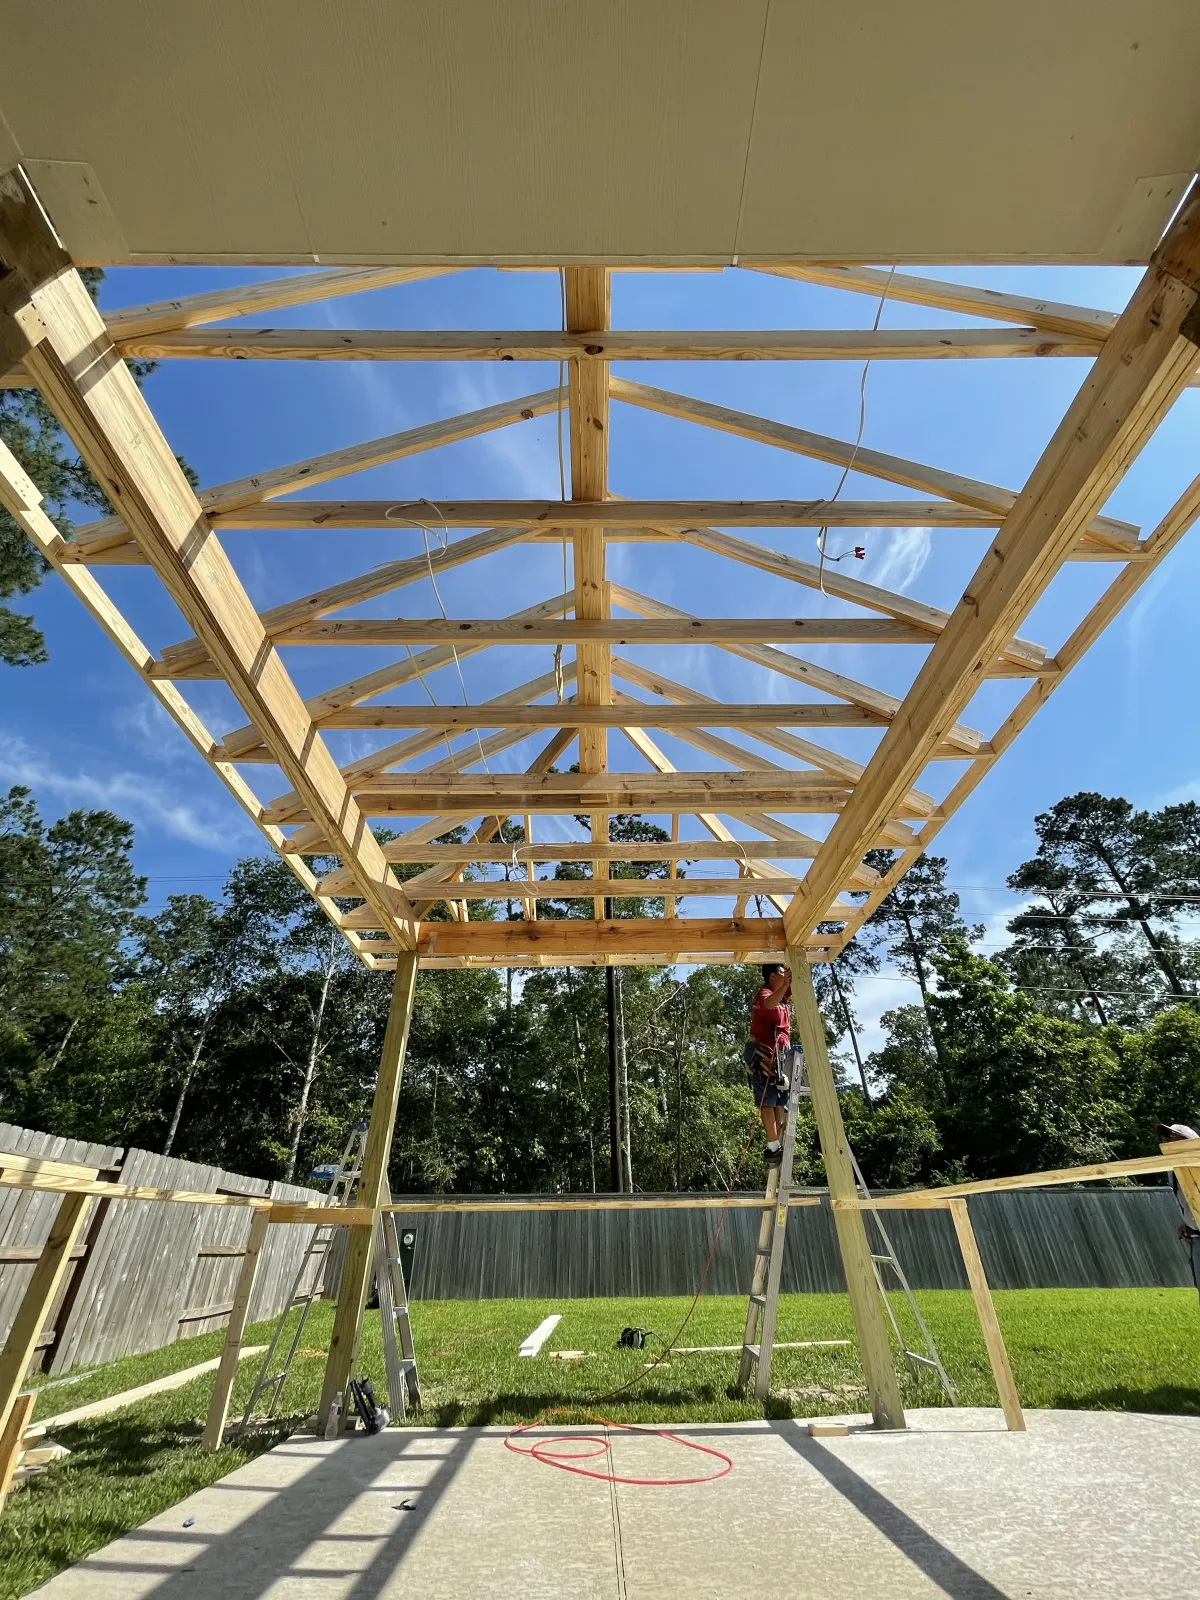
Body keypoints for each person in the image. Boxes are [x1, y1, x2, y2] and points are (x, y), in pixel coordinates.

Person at [744, 963, 792, 1166]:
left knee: (781, 1100)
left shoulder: (783, 992)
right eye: (782, 974)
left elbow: (796, 979)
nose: (785, 977)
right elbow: (770, 1004)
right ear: (773, 977)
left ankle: (779, 1145)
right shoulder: (764, 993)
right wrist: (784, 986)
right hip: (763, 1054)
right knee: (767, 1100)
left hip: (780, 1057)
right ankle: (772, 1146)